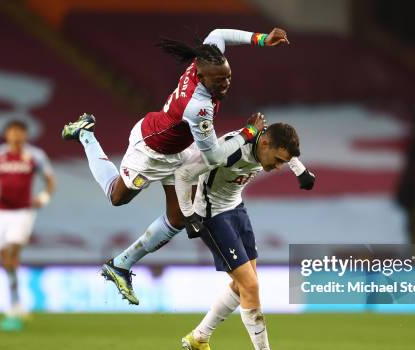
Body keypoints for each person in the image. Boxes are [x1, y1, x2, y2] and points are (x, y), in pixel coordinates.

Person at [62, 28, 315, 305]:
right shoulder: (198, 107)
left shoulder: (205, 60)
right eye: (219, 80)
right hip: (152, 149)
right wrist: (247, 133)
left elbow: (219, 33)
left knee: (179, 217)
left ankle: (120, 264)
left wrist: (262, 39)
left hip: (183, 147)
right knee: (116, 197)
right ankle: (86, 134)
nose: (225, 83)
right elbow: (216, 157)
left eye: (228, 76)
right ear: (203, 77)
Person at [175, 123, 304, 350]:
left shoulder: (268, 145)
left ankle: (199, 337)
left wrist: (302, 172)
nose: (278, 167)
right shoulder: (231, 151)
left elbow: (289, 153)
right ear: (264, 144)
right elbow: (183, 173)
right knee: (251, 286)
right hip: (212, 216)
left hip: (236, 209)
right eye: (277, 161)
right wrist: (189, 216)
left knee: (243, 284)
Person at [0, 120, 55, 331]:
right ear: (6, 134)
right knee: (4, 257)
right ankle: (17, 301)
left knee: (13, 249)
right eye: (12, 131)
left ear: (25, 135)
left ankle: (14, 306)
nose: (15, 135)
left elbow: (50, 179)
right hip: (0, 212)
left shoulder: (36, 155)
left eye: (19, 132)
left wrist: (43, 197)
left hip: (24, 211)